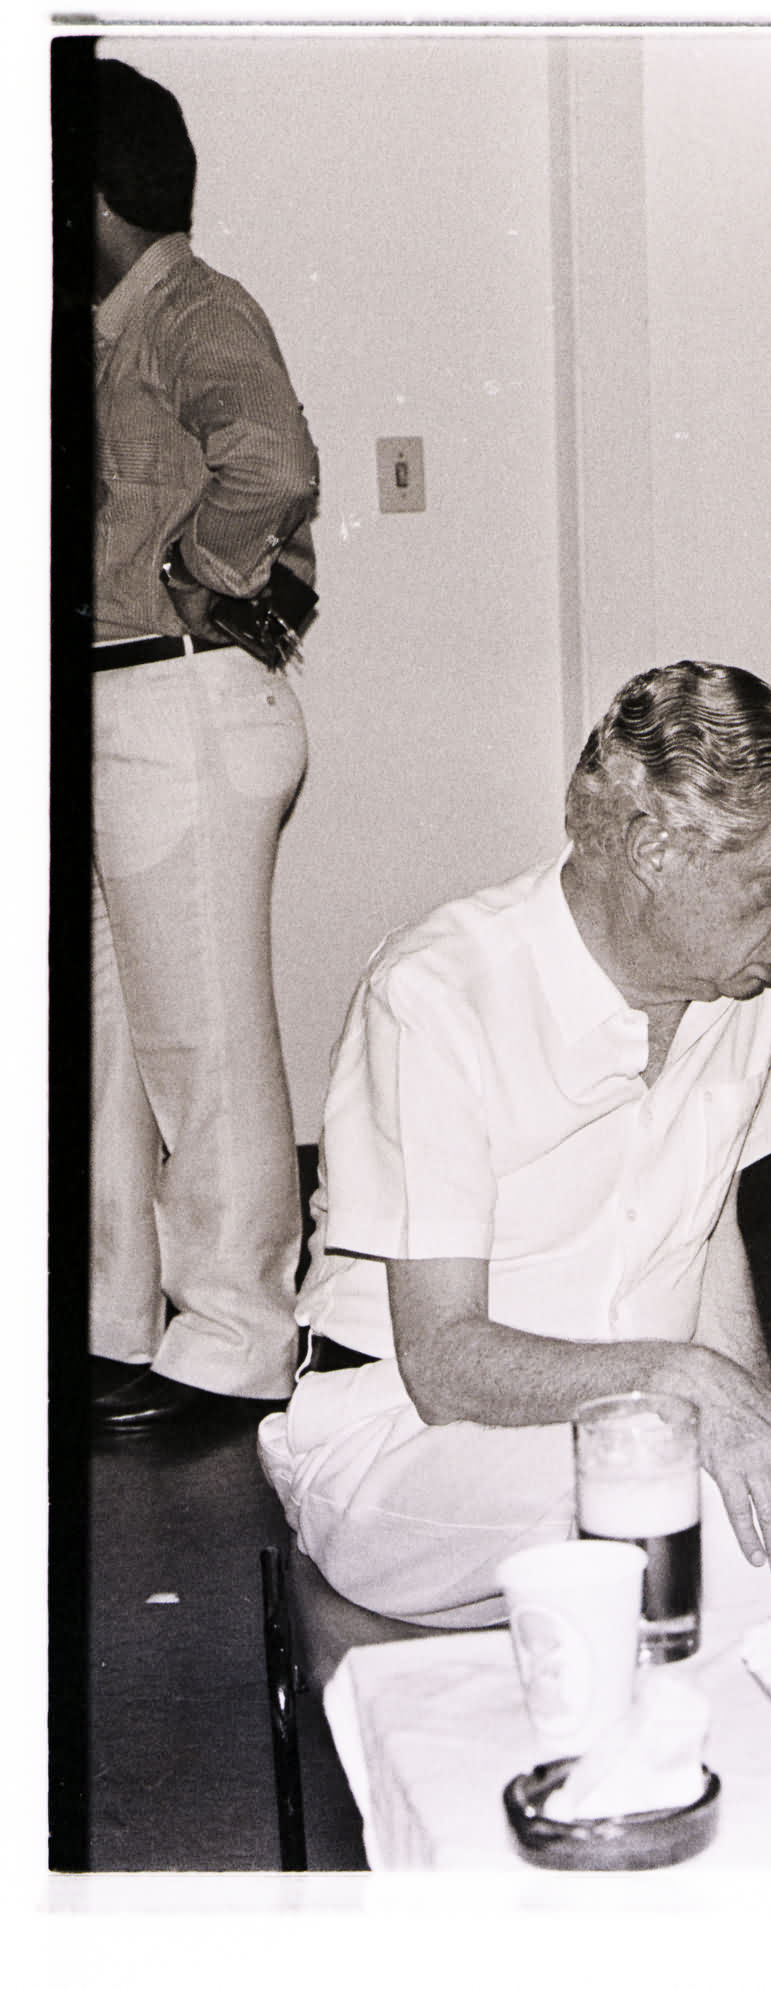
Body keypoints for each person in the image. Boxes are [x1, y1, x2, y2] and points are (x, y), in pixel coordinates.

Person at [257, 663, 771, 1627]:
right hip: (404, 1445)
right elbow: (444, 1363)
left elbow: (710, 1239)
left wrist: (760, 1428)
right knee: (693, 1511)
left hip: (651, 1426)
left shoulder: (753, 980)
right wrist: (685, 1387)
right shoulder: (438, 992)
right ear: (654, 848)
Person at [89, 57, 324, 1430]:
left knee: (204, 1041)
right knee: (109, 1040)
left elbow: (274, 465)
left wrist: (196, 573)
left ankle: (239, 1337)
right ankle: (116, 1316)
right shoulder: (104, 327)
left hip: (180, 708)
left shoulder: (195, 310)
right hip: (120, 709)